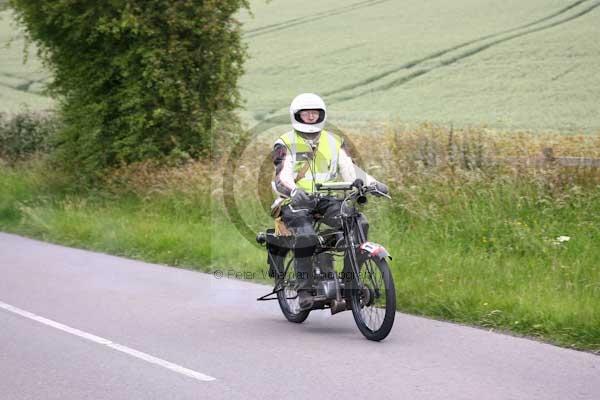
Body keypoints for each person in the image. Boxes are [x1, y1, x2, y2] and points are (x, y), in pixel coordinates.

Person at [270, 93, 388, 310]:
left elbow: (351, 170)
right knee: (306, 236)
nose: (311, 117)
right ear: (297, 115)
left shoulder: (333, 141)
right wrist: (293, 191)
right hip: (295, 201)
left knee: (358, 222)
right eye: (306, 114)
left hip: (327, 200)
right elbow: (281, 177)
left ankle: (350, 280)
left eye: (315, 113)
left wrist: (373, 184)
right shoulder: (284, 142)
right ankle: (304, 289)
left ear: (321, 115)